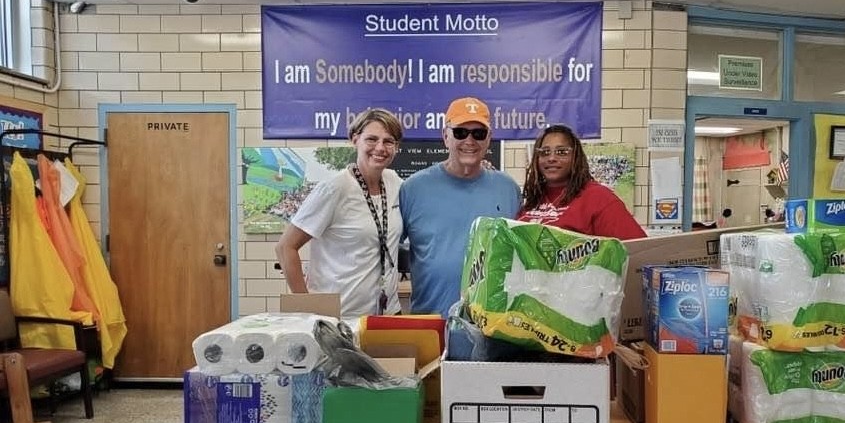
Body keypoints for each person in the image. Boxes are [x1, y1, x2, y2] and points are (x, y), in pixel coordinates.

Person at [275, 108, 404, 318]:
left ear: (396, 147)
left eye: (388, 141)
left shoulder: (394, 182)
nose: (380, 148)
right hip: (341, 317)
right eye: (372, 139)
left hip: (387, 313)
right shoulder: (334, 188)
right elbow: (285, 247)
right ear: (355, 139)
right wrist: (306, 308)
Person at [400, 97, 521, 315]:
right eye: (460, 132)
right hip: (431, 322)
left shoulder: (508, 189)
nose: (469, 141)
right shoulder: (413, 189)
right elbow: (385, 248)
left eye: (478, 133)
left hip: (492, 325)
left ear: (489, 139)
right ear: (445, 136)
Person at [517, 124, 647, 240]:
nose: (551, 158)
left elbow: (639, 248)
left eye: (561, 152)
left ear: (576, 157)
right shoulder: (533, 200)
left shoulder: (599, 198)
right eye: (545, 152)